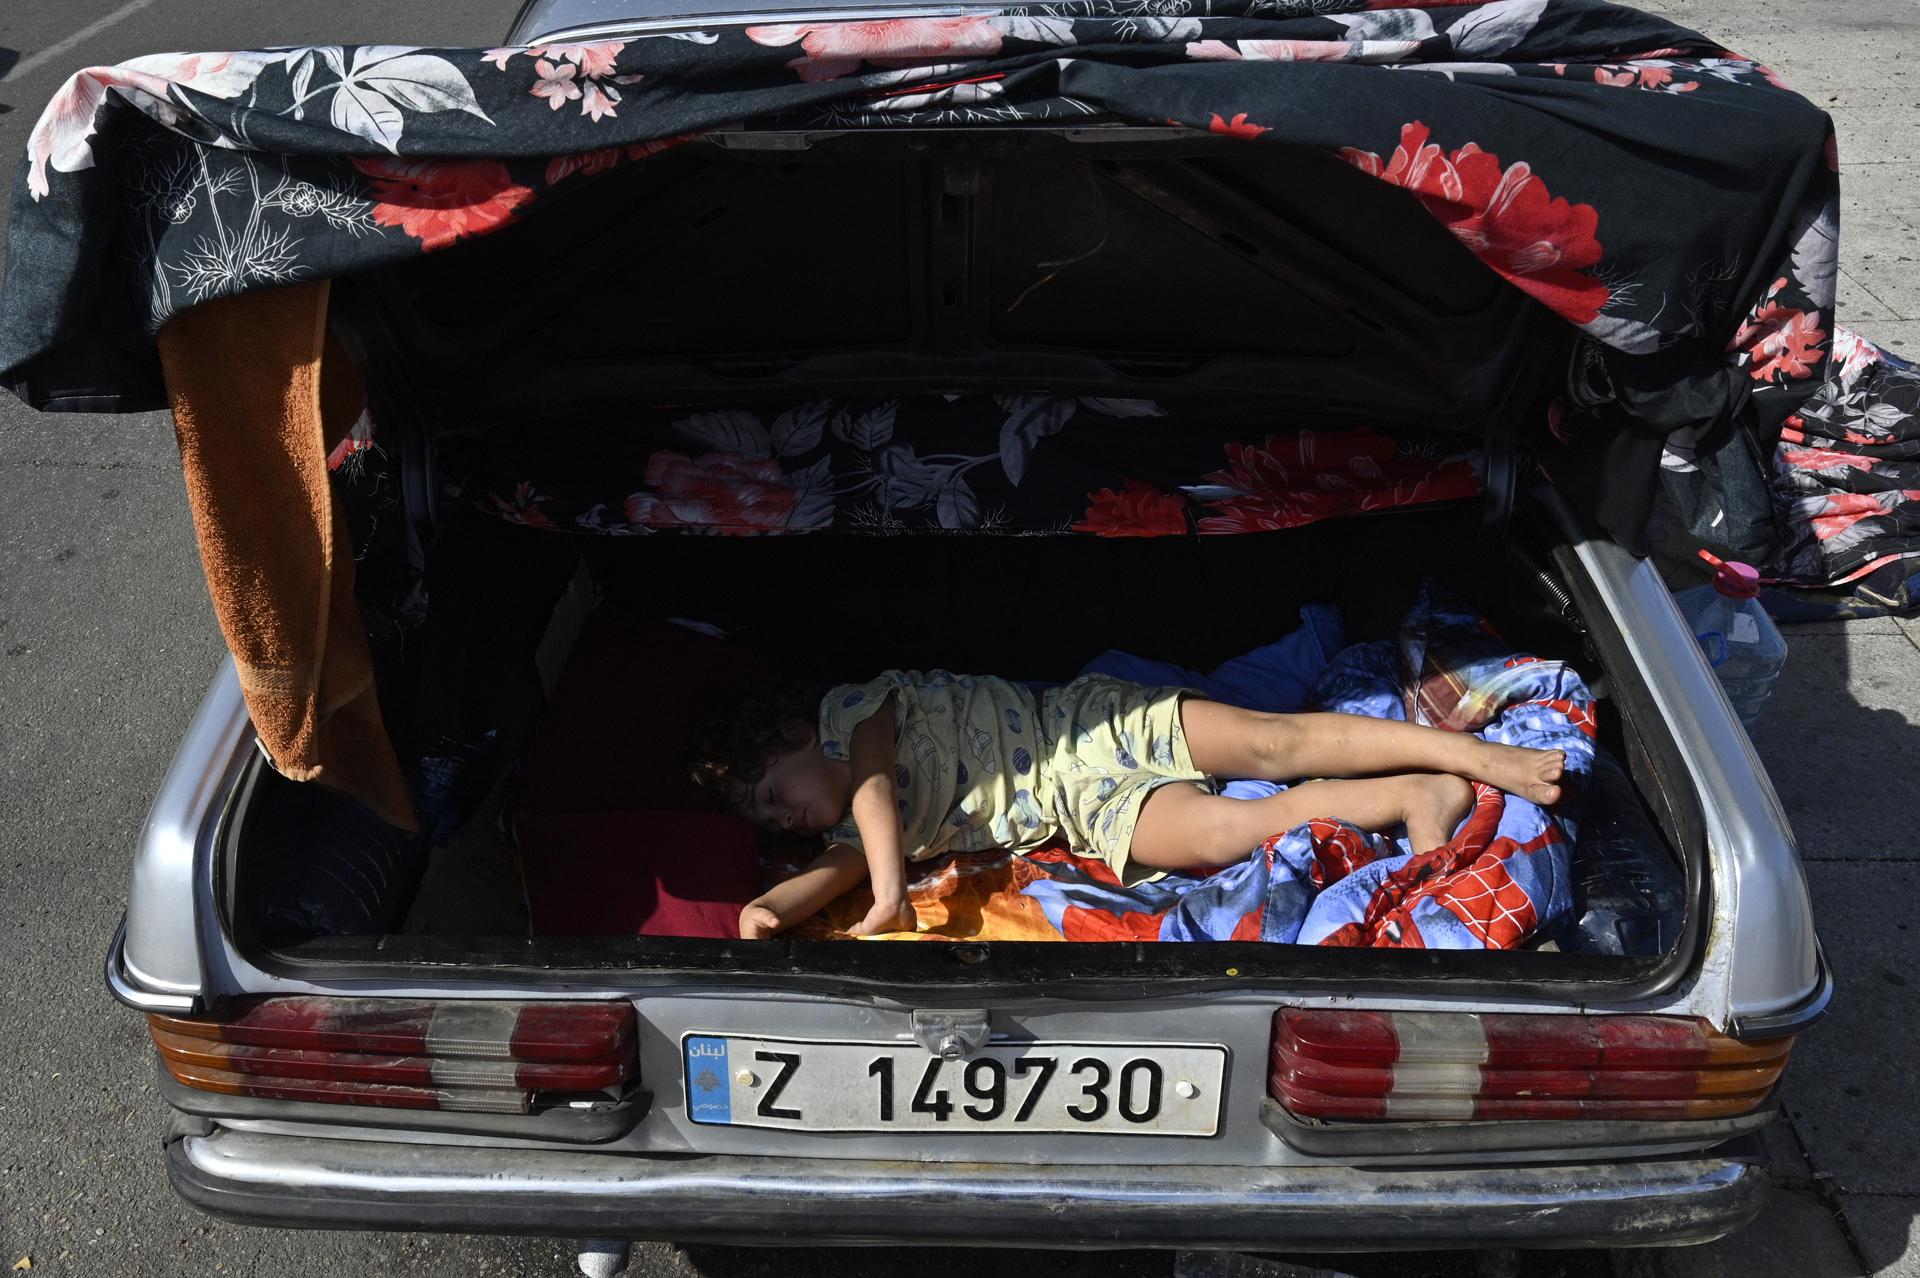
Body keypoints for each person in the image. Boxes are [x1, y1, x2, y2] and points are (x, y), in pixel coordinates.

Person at [690, 671, 1564, 940]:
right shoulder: (853, 836)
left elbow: (878, 788)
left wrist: (886, 898)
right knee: (1221, 836)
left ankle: (1473, 753)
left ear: (793, 735)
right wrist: (763, 915)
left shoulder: (856, 713)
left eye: (774, 793)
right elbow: (819, 875)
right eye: (769, 823)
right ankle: (1418, 791)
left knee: (1273, 741)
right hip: (1085, 808)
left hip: (1088, 726)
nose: (785, 818)